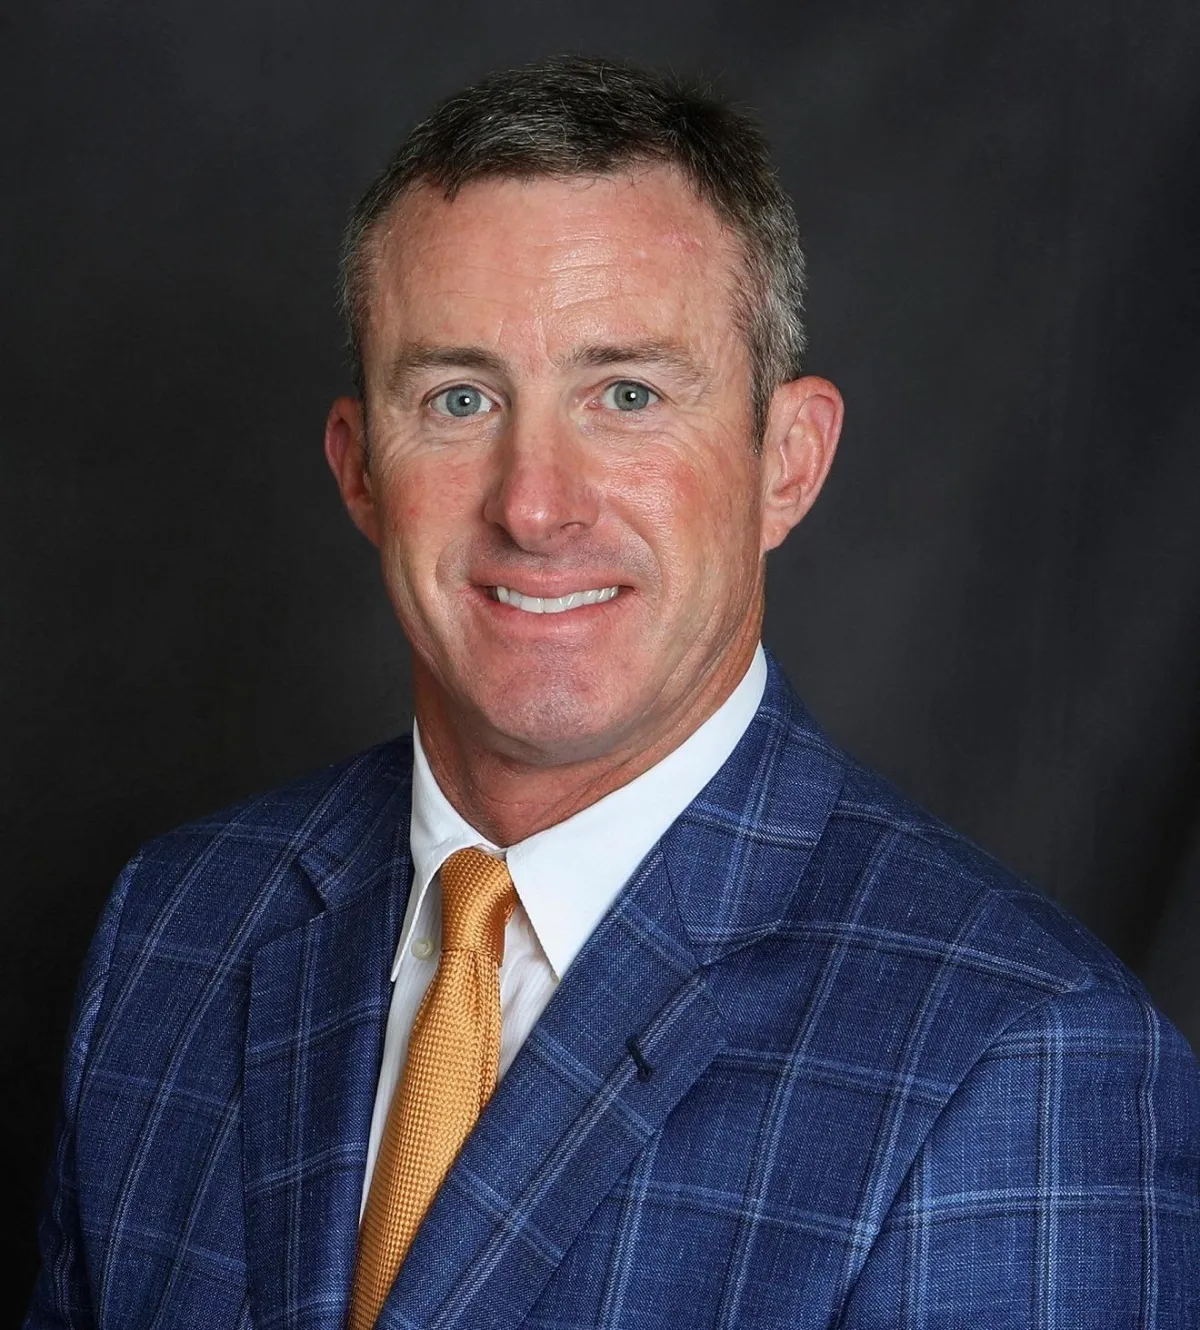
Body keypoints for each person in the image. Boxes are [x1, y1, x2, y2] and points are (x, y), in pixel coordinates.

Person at [26, 55, 1199, 1330]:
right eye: (459, 397)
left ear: (788, 461)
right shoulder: (177, 930)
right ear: (360, 471)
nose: (535, 504)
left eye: (627, 394)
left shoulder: (1020, 1058)